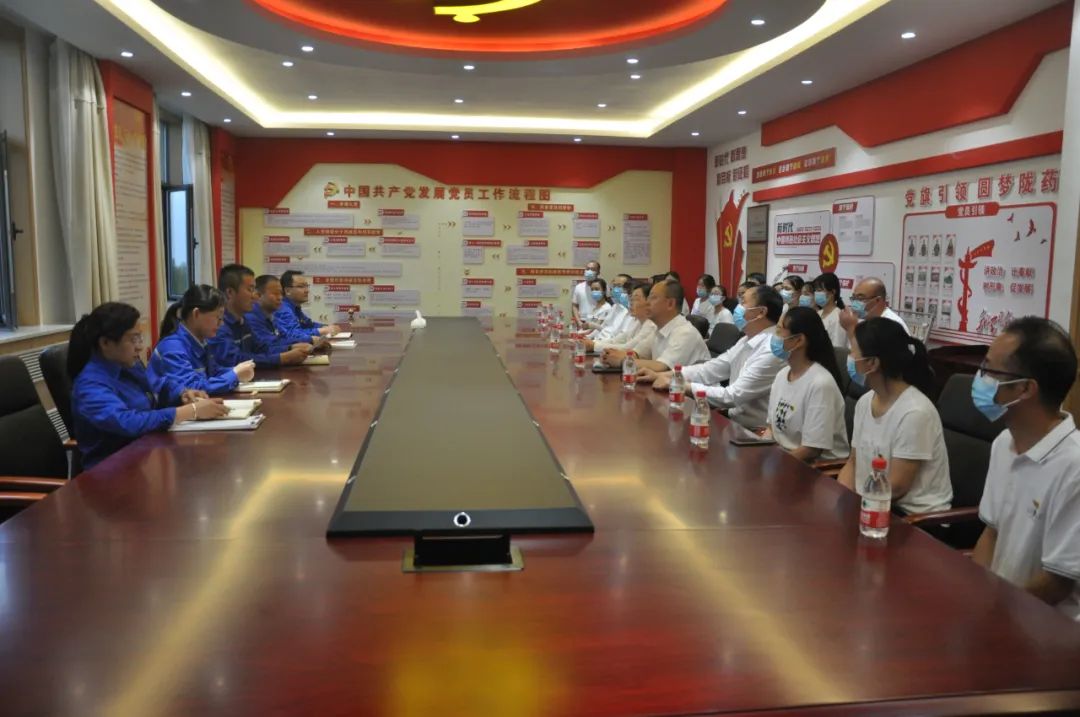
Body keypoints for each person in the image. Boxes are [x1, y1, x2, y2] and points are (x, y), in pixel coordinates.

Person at [972, 317, 1080, 621]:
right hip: (1000, 611)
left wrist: (996, 614)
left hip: (1049, 628)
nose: (980, 379)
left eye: (989, 370)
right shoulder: (1003, 443)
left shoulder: (1074, 466)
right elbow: (991, 534)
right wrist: (974, 595)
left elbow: (1056, 582)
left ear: (1026, 388)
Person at [69, 302, 228, 469]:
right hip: (109, 471)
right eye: (133, 339)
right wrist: (191, 411)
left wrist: (182, 394)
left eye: (140, 337)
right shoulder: (90, 385)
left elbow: (155, 386)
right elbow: (128, 422)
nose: (140, 346)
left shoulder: (129, 365)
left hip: (144, 456)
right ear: (105, 343)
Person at [838, 318, 952, 515]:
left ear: (873, 363)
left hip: (912, 518)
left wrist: (856, 508)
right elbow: (853, 462)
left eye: (853, 352)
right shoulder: (865, 402)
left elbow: (897, 487)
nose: (850, 358)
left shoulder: (915, 412)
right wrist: (843, 499)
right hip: (871, 503)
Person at [643, 285, 785, 428]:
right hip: (733, 420)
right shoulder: (746, 340)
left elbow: (732, 396)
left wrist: (680, 385)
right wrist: (664, 375)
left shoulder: (771, 350)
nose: (738, 307)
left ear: (761, 312)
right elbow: (710, 369)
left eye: (743, 302)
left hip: (753, 431)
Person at [762, 307, 850, 462]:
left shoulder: (820, 384)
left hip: (814, 467)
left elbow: (811, 450)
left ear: (799, 340)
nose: (774, 337)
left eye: (779, 330)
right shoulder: (782, 375)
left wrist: (776, 465)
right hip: (784, 458)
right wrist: (761, 452)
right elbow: (771, 428)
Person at [149, 284, 256, 404]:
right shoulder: (172, 347)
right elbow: (192, 389)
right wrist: (234, 374)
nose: (221, 324)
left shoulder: (202, 341)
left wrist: (236, 370)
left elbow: (213, 372)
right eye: (218, 318)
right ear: (196, 314)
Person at [211, 264, 310, 368]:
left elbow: (261, 348)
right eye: (250, 290)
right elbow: (234, 360)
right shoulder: (218, 325)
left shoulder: (243, 320)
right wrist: (282, 358)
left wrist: (289, 348)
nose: (254, 295)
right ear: (230, 292)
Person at [602, 279, 708, 371]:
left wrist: (622, 361)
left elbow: (661, 366)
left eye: (653, 298)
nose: (647, 303)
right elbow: (636, 354)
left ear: (670, 304)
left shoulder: (685, 332)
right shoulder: (659, 329)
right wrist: (610, 354)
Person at [247, 274, 320, 356]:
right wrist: (290, 348)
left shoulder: (270, 315)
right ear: (258, 295)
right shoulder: (251, 318)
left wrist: (307, 341)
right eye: (275, 294)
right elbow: (265, 348)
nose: (280, 298)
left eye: (280, 294)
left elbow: (283, 337)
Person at [276, 270, 345, 342]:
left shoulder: (295, 307)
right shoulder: (283, 309)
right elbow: (292, 335)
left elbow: (309, 324)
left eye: (306, 286)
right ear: (287, 291)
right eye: (301, 286)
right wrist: (322, 330)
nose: (307, 290)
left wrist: (326, 327)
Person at [588, 281, 655, 354]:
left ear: (649, 302)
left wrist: (593, 345)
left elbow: (628, 348)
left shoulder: (651, 325)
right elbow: (615, 340)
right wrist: (592, 343)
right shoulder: (636, 322)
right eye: (631, 299)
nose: (631, 303)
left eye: (636, 299)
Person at [839, 277, 909, 340]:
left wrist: (851, 329)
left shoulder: (892, 326)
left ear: (878, 300)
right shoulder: (862, 321)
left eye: (860, 298)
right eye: (854, 298)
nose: (855, 303)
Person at [587, 274, 632, 343]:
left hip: (606, 344)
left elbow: (618, 338)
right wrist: (588, 337)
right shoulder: (615, 307)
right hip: (599, 341)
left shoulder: (629, 312)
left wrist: (595, 344)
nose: (615, 289)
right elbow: (604, 328)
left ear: (628, 289)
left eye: (619, 286)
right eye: (614, 286)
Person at [814, 272, 848, 349]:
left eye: (820, 290)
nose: (816, 293)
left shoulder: (839, 317)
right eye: (815, 290)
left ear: (832, 292)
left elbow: (837, 348)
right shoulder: (818, 313)